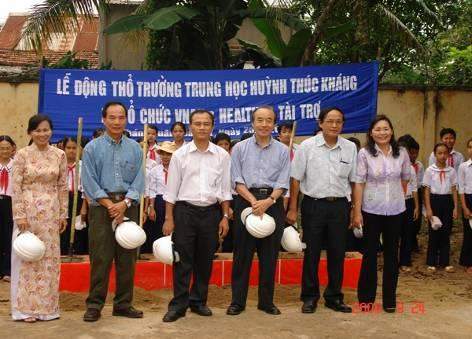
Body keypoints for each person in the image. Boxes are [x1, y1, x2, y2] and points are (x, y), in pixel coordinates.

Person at [161, 109, 231, 322]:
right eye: (197, 123)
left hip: (211, 213)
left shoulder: (222, 155)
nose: (202, 127)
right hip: (185, 212)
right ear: (190, 127)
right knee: (182, 260)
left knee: (204, 260)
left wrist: (225, 216)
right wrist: (169, 218)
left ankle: (199, 301)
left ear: (212, 126)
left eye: (206, 123)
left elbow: (225, 189)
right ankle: (178, 305)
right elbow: (171, 190)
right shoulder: (180, 155)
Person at [287, 107, 357, 314]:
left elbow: (354, 181)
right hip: (313, 205)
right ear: (320, 123)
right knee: (312, 253)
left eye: (338, 122)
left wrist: (354, 210)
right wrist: (292, 208)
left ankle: (334, 296)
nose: (334, 125)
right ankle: (309, 297)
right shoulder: (307, 147)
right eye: (330, 121)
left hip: (340, 206)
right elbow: (296, 179)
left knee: (337, 252)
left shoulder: (350, 148)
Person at [81, 101, 144, 322]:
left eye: (121, 117)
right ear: (104, 119)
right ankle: (95, 305)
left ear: (126, 119)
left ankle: (123, 304)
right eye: (112, 117)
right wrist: (110, 205)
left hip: (129, 207)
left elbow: (139, 180)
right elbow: (89, 181)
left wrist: (125, 204)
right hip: (101, 210)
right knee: (101, 257)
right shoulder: (92, 148)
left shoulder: (135, 148)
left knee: (127, 258)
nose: (117, 122)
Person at [227, 106, 290, 316]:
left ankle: (266, 301)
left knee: (269, 255)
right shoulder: (240, 148)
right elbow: (236, 180)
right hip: (246, 201)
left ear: (274, 124)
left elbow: (283, 182)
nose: (264, 124)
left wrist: (269, 201)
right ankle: (238, 302)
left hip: (273, 203)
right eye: (260, 120)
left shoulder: (283, 150)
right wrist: (254, 201)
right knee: (242, 255)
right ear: (252, 123)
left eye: (269, 120)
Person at [11, 115, 68, 322]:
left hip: (51, 214)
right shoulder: (21, 155)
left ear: (51, 132)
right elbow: (15, 187)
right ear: (30, 133)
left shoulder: (59, 155)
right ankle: (26, 309)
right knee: (29, 257)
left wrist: (63, 214)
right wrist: (19, 215)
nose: (42, 134)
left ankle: (47, 308)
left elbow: (62, 187)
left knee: (49, 260)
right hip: (28, 213)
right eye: (38, 130)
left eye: (46, 130)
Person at [352, 115, 411, 313]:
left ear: (391, 131)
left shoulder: (401, 152)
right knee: (369, 254)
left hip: (395, 210)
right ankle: (366, 299)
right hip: (371, 210)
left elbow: (405, 180)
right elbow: (359, 183)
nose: (382, 132)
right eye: (378, 129)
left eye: (386, 129)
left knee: (391, 255)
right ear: (371, 133)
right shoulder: (364, 153)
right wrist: (357, 211)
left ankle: (389, 300)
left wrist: (396, 198)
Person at [423, 143, 458, 273]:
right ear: (435, 154)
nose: (442, 156)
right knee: (434, 232)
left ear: (448, 154)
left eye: (445, 153)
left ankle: (445, 262)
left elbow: (454, 189)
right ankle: (431, 262)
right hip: (434, 200)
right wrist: (428, 208)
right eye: (440, 153)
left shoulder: (452, 171)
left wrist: (455, 207)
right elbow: (426, 190)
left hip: (447, 202)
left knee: (446, 232)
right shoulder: (429, 170)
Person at [143, 141, 177, 252]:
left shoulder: (178, 170)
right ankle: (160, 252)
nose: (166, 157)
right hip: (159, 202)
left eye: (169, 154)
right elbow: (152, 190)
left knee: (176, 228)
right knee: (158, 228)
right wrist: (151, 207)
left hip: (175, 202)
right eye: (163, 154)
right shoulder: (155, 170)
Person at [60, 137, 87, 255]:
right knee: (63, 229)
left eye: (74, 148)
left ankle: (79, 253)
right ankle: (64, 253)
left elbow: (86, 187)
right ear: (63, 148)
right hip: (63, 199)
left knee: (79, 228)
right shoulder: (59, 165)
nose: (71, 151)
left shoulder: (84, 166)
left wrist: (84, 206)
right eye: (68, 148)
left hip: (79, 198)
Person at [213, 132, 235, 252]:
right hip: (218, 200)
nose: (223, 146)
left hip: (235, 198)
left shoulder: (234, 161)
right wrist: (226, 208)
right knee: (221, 232)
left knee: (234, 231)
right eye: (220, 144)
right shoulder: (212, 161)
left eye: (226, 144)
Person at [0, 135, 15, 282]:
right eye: (2, 148)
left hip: (11, 202)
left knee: (9, 236)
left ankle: (7, 271)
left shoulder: (16, 165)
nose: (4, 151)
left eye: (7, 148)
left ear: (12, 149)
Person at [458, 138, 472, 273]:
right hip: (468, 199)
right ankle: (468, 262)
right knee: (469, 232)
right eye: (470, 147)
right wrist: (464, 207)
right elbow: (461, 188)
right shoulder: (463, 167)